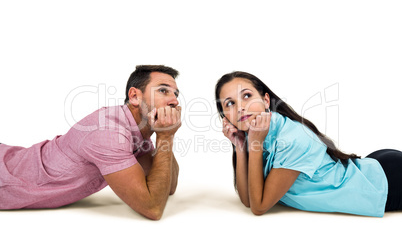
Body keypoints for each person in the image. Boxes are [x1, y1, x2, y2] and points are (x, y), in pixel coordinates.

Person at [0, 65, 181, 220]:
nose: (174, 101)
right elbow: (153, 208)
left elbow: (169, 187)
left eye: (176, 94)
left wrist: (165, 135)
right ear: (134, 96)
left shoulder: (137, 131)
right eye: (163, 90)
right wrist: (166, 137)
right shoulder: (109, 133)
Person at [215, 71, 402, 217]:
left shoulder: (291, 138)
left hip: (386, 181)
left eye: (246, 96)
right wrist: (240, 147)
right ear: (225, 116)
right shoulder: (256, 133)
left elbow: (259, 207)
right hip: (369, 167)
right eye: (229, 103)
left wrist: (254, 146)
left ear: (265, 100)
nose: (240, 107)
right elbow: (248, 199)